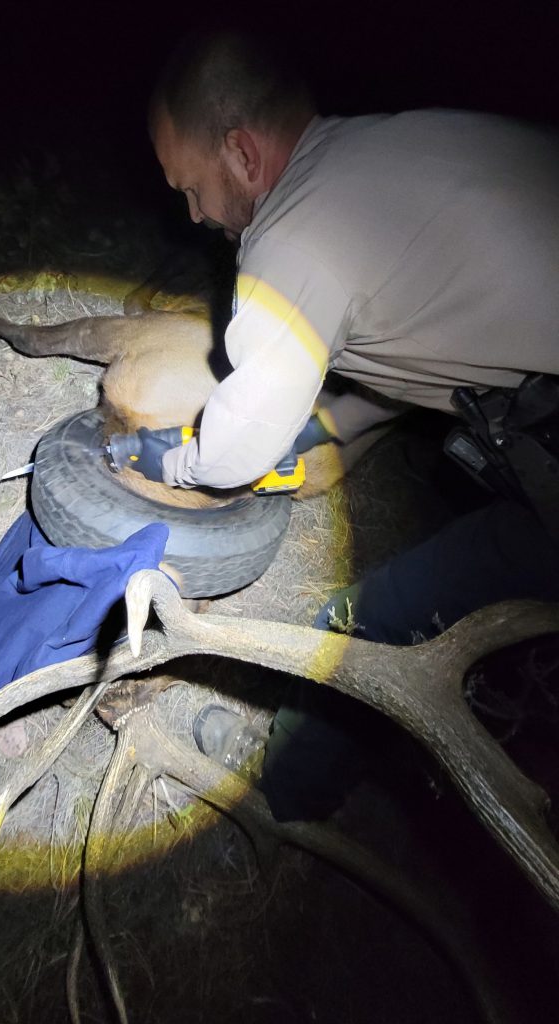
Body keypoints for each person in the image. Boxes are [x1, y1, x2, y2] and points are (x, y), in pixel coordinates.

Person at [134, 31, 559, 820]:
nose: (194, 216)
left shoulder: (291, 232)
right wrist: (328, 425)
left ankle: (282, 802)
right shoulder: (384, 153)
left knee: (361, 626)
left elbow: (242, 444)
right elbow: (437, 351)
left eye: (191, 188)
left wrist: (182, 466)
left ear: (242, 154)